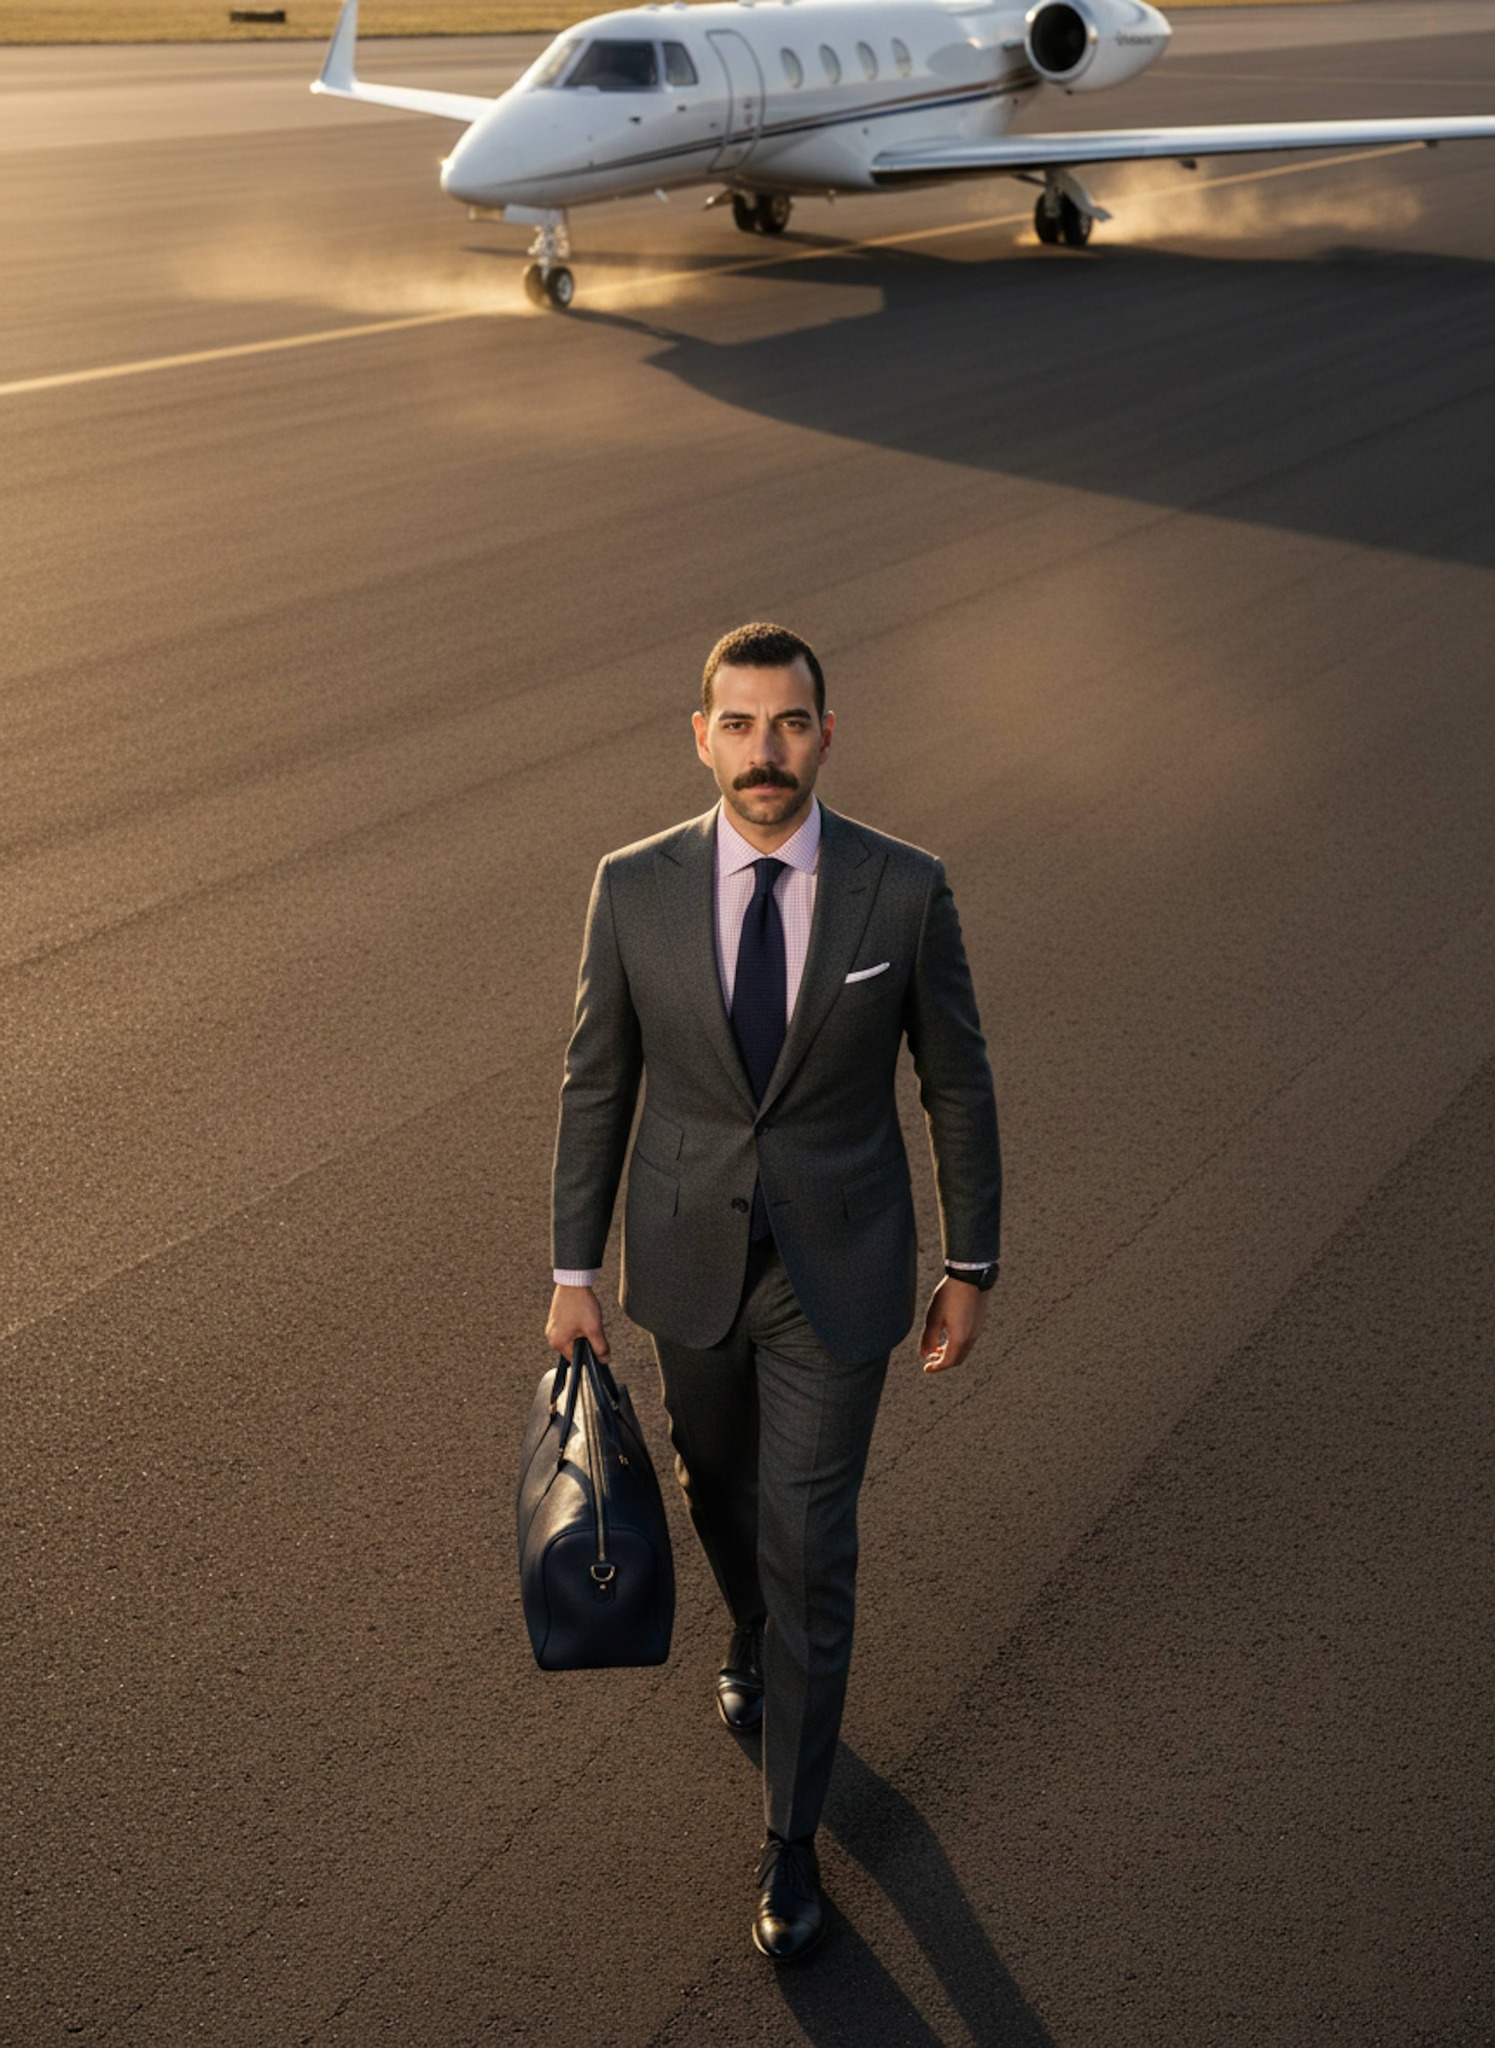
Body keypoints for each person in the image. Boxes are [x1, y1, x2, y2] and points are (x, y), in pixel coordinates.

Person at [546, 622, 1002, 1961]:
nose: (765, 751)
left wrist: (970, 1265)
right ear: (701, 737)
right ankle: (751, 1624)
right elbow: (597, 1079)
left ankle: (791, 1839)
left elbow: (957, 1082)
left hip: (839, 1275)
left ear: (826, 733)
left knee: (811, 1539)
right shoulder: (630, 888)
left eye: (789, 723)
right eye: (738, 725)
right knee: (711, 1485)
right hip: (688, 1261)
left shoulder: (903, 892)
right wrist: (573, 1273)